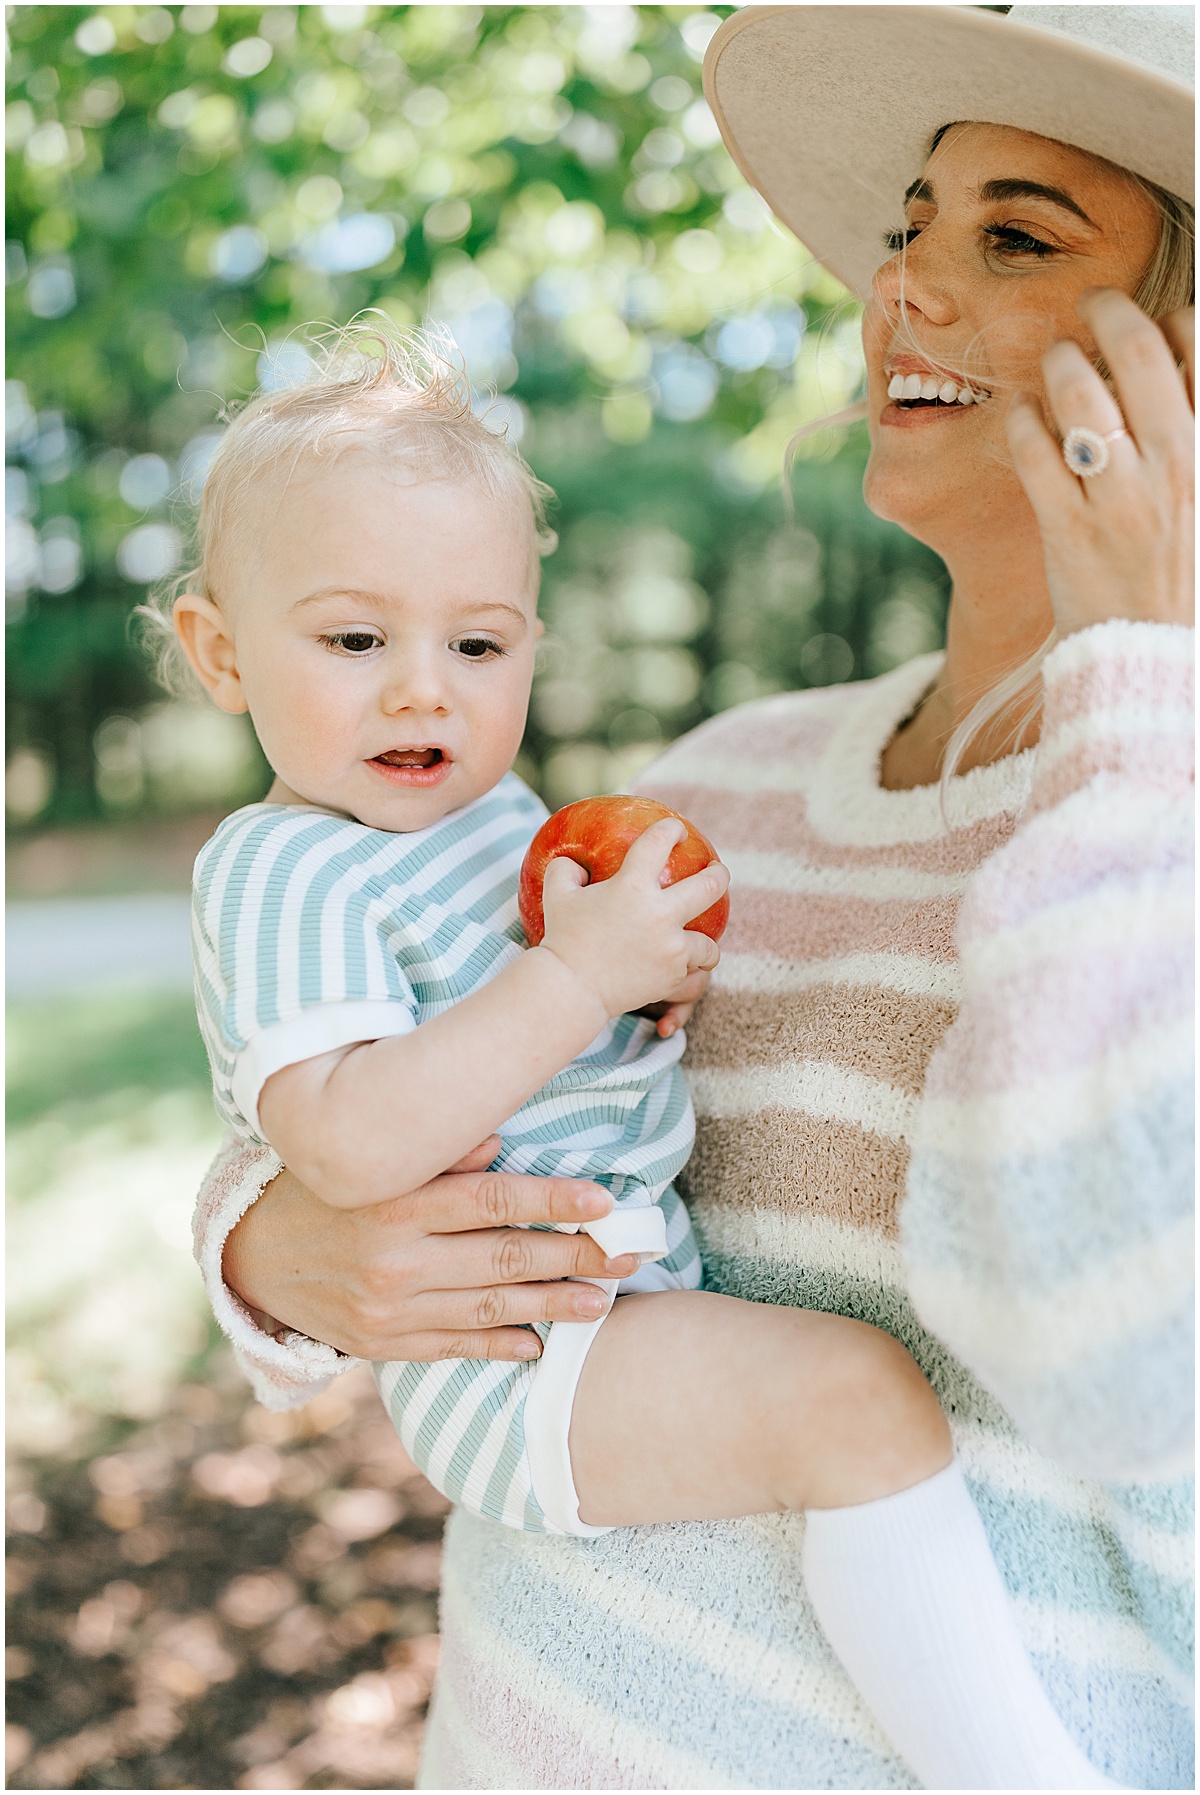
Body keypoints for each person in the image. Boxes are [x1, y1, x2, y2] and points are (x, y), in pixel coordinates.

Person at [190, 6, 1194, 1788]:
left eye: (1017, 235)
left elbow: (1117, 1347)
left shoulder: (1160, 808)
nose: (901, 291)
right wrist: (281, 1250)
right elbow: (385, 1041)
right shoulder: (723, 774)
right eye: (910, 224)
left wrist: (1143, 695)